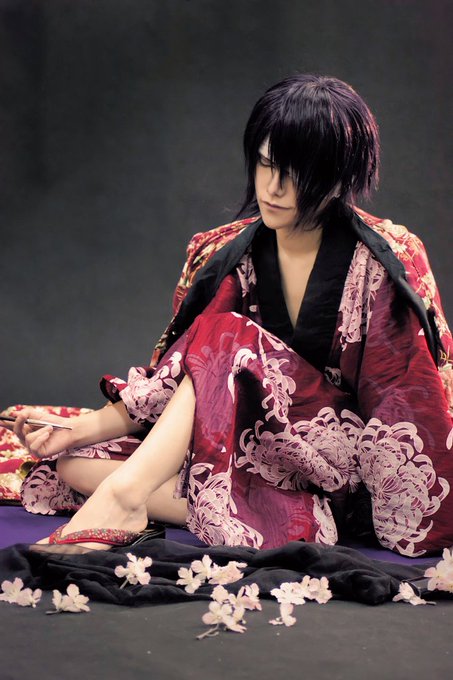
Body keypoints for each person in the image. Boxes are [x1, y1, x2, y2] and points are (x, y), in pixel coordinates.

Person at [12, 74, 453, 557]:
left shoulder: (382, 261)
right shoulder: (225, 254)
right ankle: (263, 511)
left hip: (334, 456)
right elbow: (184, 377)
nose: (274, 187)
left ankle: (125, 499)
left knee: (226, 336)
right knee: (73, 464)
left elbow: (403, 396)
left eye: (297, 173)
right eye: (265, 164)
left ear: (339, 176)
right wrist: (80, 430)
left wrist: (378, 502)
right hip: (245, 447)